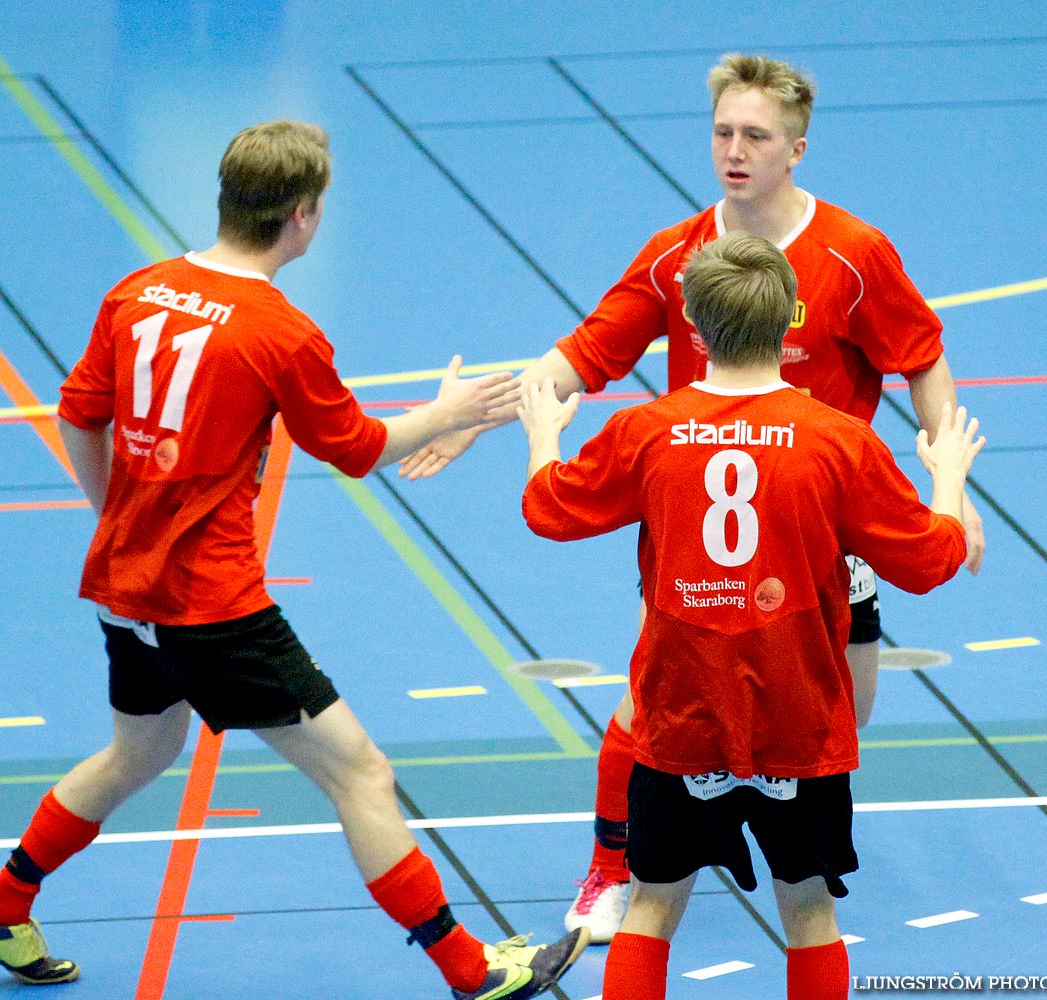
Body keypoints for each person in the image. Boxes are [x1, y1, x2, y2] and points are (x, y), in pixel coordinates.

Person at [0, 119, 588, 999]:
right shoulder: (278, 330)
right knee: (360, 774)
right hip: (212, 608)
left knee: (135, 756)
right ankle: (470, 970)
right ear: (302, 214)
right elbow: (360, 448)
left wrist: (117, 515)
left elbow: (79, 415)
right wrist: (447, 414)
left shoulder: (138, 290)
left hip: (123, 587)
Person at [400, 52, 986, 941]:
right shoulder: (678, 253)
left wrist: (955, 485)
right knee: (650, 701)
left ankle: (758, 832)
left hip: (829, 531)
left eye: (755, 136)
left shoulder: (854, 255)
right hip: (707, 539)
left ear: (796, 148)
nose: (734, 151)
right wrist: (478, 418)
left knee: (842, 715)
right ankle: (612, 863)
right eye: (722, 133)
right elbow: (585, 354)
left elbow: (921, 360)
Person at [518, 231, 984, 999]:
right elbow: (930, 562)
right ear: (786, 328)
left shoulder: (648, 430)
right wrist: (945, 481)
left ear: (693, 330)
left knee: (651, 908)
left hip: (679, 721)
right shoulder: (839, 441)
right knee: (806, 913)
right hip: (795, 724)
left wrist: (542, 437)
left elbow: (549, 508)